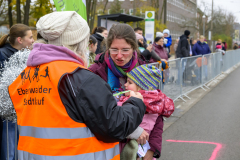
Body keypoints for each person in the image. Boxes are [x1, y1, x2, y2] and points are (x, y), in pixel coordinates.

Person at [8, 11, 146, 160]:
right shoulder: (79, 78)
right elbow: (114, 126)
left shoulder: (25, 76)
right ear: (78, 42)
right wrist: (136, 103)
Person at [89, 23, 163, 159]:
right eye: (114, 49)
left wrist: (152, 149)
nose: (119, 56)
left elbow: (157, 110)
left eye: (125, 50)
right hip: (105, 149)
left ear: (134, 47)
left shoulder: (143, 69)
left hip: (140, 150)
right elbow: (94, 115)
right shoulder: (95, 73)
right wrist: (132, 130)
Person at [118, 65, 174, 160]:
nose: (125, 85)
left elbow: (116, 121)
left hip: (126, 150)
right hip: (143, 151)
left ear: (142, 88)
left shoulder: (127, 103)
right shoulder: (156, 105)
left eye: (129, 82)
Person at [0, 23, 34, 160]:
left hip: (23, 110)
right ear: (20, 40)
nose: (33, 40)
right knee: (10, 151)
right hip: (9, 114)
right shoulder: (3, 55)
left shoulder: (27, 55)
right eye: (30, 37)